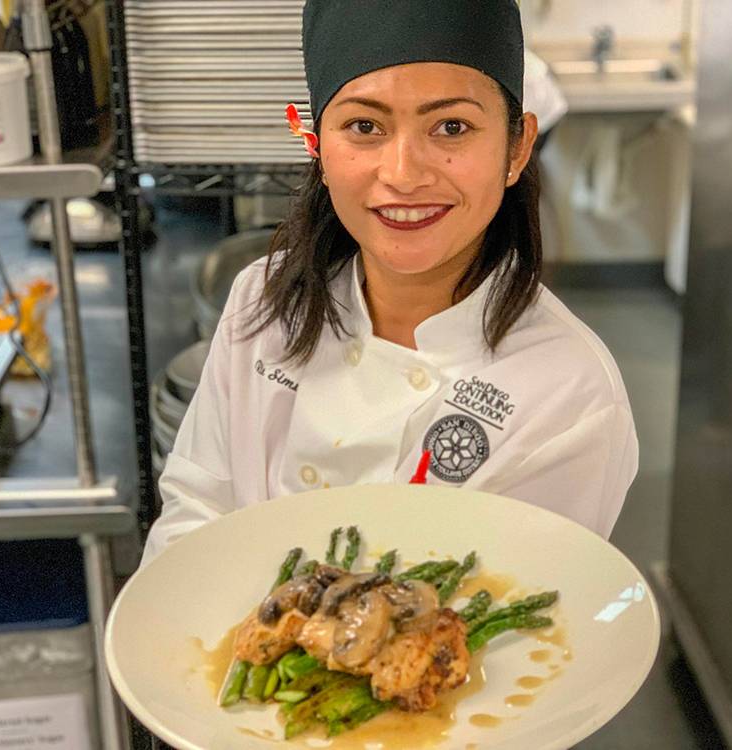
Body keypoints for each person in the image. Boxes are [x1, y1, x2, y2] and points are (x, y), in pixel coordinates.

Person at [141, 0, 638, 565]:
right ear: (316, 146)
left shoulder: (571, 394)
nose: (403, 174)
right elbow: (196, 509)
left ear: (517, 148)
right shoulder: (263, 298)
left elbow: (521, 628)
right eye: (364, 126)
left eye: (452, 127)